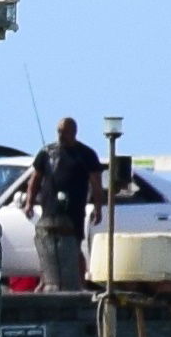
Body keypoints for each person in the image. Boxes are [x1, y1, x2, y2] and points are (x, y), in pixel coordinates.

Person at [25, 118, 109, 294]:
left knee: (74, 244)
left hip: (74, 208)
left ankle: (80, 281)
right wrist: (29, 203)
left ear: (74, 132)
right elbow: (35, 179)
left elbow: (96, 183)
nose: (61, 135)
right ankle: (45, 280)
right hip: (50, 207)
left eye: (65, 132)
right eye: (59, 131)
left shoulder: (86, 154)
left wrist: (98, 207)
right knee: (47, 243)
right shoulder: (47, 152)